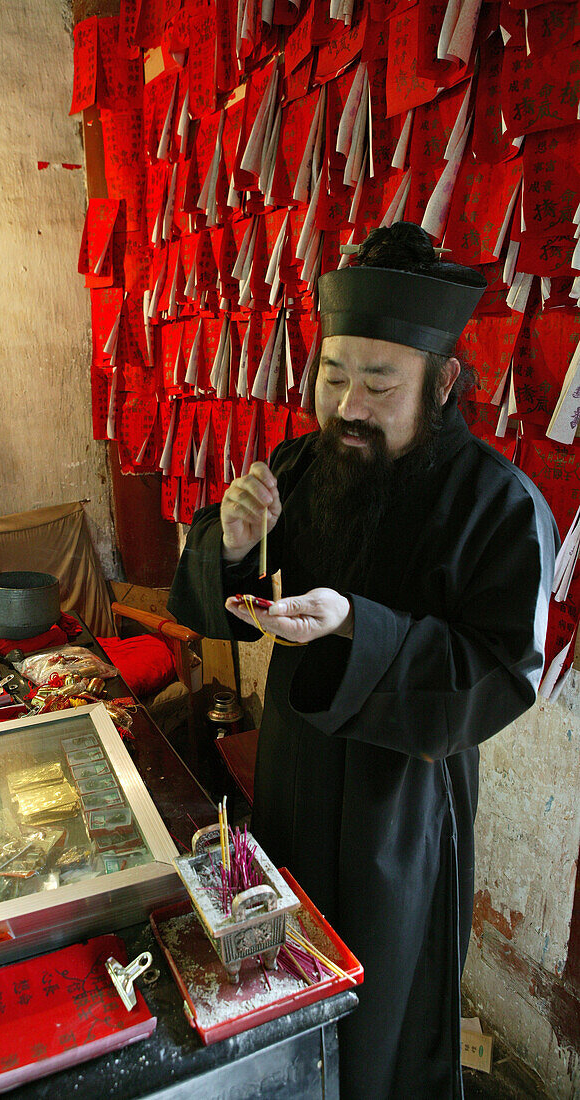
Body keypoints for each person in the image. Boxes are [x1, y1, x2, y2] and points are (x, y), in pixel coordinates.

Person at [168, 222, 559, 1099]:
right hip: (296, 764)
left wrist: (358, 627)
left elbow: (499, 674)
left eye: (380, 383)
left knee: (387, 1009)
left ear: (443, 381)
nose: (348, 404)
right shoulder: (306, 465)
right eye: (333, 376)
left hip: (405, 804)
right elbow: (219, 604)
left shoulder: (498, 504)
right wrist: (229, 545)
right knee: (289, 970)